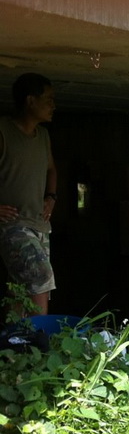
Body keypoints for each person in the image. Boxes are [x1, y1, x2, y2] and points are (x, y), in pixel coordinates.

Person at [0, 73, 58, 317]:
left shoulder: (42, 135)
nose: (53, 105)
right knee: (41, 275)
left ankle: (18, 348)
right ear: (30, 101)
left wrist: (51, 197)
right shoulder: (3, 130)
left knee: (23, 290)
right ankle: (41, 342)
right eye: (48, 99)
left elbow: (51, 169)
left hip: (39, 224)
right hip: (12, 224)